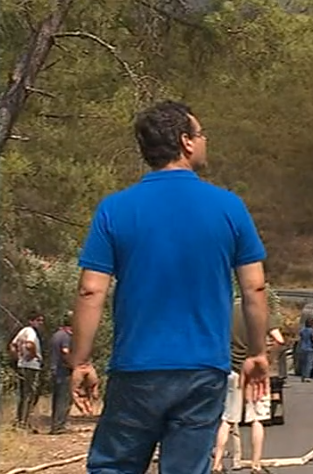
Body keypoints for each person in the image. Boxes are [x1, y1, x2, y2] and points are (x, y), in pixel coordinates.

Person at [69, 100, 271, 474]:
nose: (205, 139)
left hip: (136, 367)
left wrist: (81, 361)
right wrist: (257, 354)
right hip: (202, 369)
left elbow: (90, 291)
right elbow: (254, 288)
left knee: (113, 466)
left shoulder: (115, 209)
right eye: (201, 133)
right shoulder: (229, 207)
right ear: (186, 142)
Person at [212, 301, 273, 474]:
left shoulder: (228, 311)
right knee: (257, 419)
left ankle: (217, 464)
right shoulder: (260, 312)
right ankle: (256, 464)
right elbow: (279, 339)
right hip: (255, 373)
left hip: (232, 370)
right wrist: (268, 357)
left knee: (227, 419)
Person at [9, 312, 45, 431]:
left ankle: (20, 420)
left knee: (24, 394)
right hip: (31, 366)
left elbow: (13, 345)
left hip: (22, 365)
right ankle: (24, 421)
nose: (40, 323)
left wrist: (16, 358)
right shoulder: (30, 332)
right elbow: (30, 344)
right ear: (31, 321)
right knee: (30, 394)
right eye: (38, 320)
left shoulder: (22, 331)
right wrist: (34, 355)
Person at [49, 311, 75, 434]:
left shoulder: (57, 334)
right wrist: (74, 365)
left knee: (57, 398)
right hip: (63, 371)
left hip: (55, 370)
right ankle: (59, 426)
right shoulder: (66, 336)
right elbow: (65, 351)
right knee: (64, 398)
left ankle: (55, 424)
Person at [298, 318, 313, 382]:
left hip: (302, 348)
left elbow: (300, 337)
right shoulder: (312, 331)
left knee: (303, 363)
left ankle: (303, 376)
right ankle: (307, 376)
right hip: (310, 349)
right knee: (309, 363)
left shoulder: (302, 330)